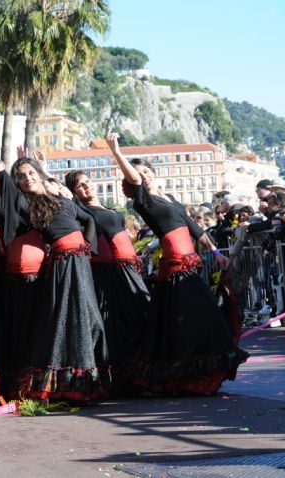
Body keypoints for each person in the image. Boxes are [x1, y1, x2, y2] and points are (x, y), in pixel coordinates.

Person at [106, 131, 248, 395]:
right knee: (195, 319)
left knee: (191, 320)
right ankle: (183, 378)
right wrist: (117, 152)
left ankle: (192, 377)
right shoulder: (143, 201)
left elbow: (194, 227)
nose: (143, 175)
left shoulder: (170, 199)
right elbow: (135, 180)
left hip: (189, 263)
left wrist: (216, 252)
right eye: (138, 174)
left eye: (146, 171)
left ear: (153, 172)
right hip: (175, 266)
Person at [0, 126, 108, 401]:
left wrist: (87, 247)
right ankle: (69, 384)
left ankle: (85, 376)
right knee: (69, 319)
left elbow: (89, 220)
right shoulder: (27, 205)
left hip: (80, 261)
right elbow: (2, 177)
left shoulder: (62, 199)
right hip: (62, 264)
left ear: (39, 174)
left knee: (91, 319)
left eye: (30, 173)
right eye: (21, 177)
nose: (26, 179)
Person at [65, 170, 150, 394]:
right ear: (75, 192)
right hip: (107, 273)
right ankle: (119, 380)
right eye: (80, 186)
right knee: (115, 325)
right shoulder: (82, 212)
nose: (87, 187)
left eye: (87, 182)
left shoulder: (109, 210)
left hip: (127, 269)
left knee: (137, 319)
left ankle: (136, 376)